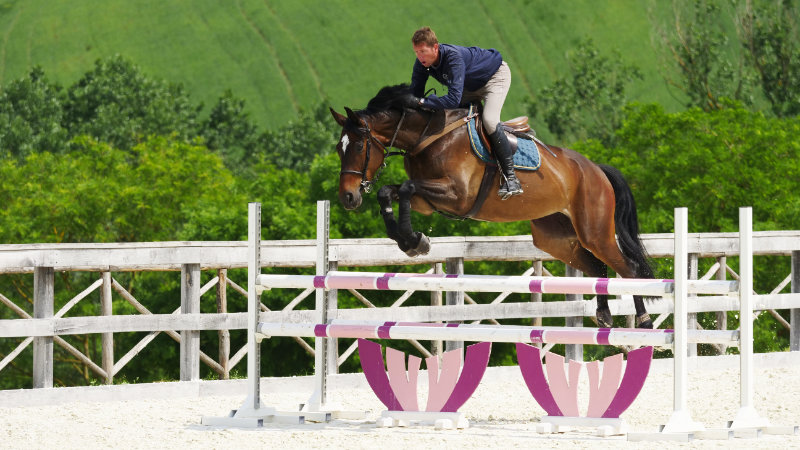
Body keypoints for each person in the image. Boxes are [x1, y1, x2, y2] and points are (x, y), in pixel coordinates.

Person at [403, 26, 522, 199]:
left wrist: (422, 102)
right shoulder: (422, 64)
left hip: (494, 78)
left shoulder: (453, 58)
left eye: (423, 51)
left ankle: (511, 178)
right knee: (451, 117)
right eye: (416, 52)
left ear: (435, 47)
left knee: (489, 120)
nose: (420, 56)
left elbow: (451, 100)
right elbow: (416, 94)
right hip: (470, 85)